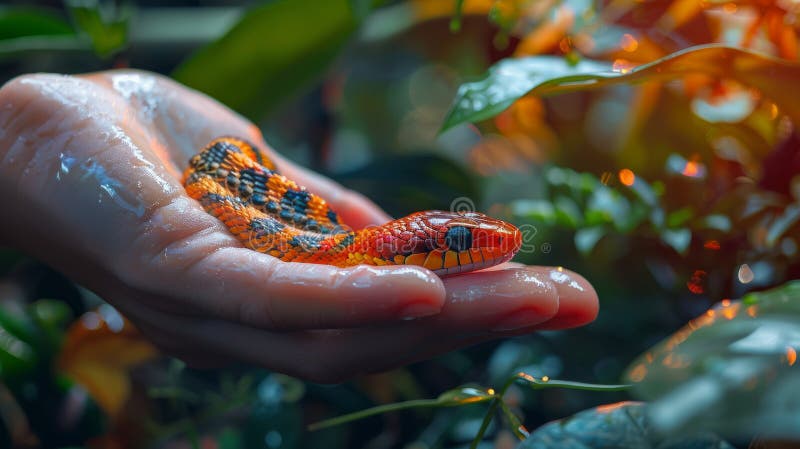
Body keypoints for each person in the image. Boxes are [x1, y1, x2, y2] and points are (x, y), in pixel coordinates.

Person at [0, 70, 598, 383]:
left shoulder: (337, 240)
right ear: (414, 248)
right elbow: (212, 179)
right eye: (462, 240)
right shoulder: (328, 242)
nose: (486, 247)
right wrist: (24, 137)